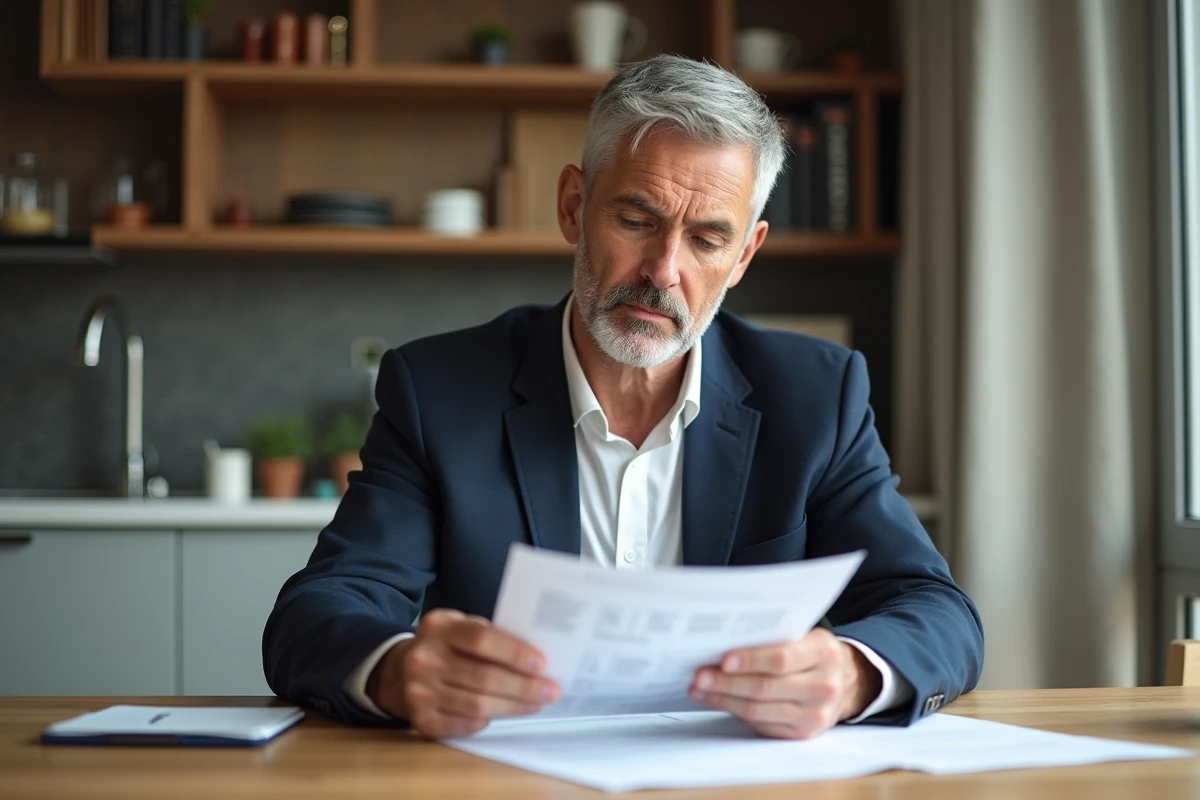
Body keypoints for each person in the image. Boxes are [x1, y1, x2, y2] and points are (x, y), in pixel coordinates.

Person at [263, 54, 984, 741]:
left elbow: (937, 612)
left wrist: (853, 673)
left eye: (706, 240)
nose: (663, 272)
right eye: (637, 221)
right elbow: (317, 613)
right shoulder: (439, 393)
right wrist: (394, 671)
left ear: (744, 256)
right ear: (575, 207)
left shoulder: (817, 397)